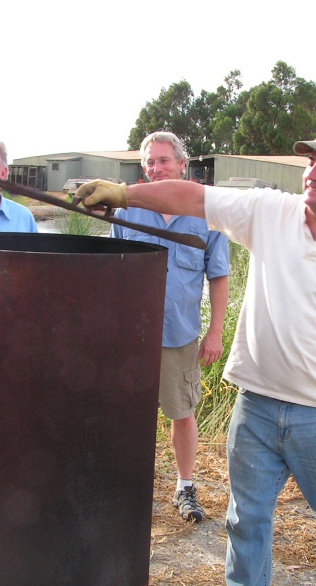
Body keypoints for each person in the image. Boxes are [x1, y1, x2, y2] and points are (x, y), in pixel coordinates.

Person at [76, 127, 316, 586]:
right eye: (310, 164)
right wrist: (123, 192)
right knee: (245, 522)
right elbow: (192, 197)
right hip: (255, 407)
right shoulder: (268, 212)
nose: (312, 174)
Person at [110, 131, 230, 523]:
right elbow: (110, 270)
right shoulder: (126, 210)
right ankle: (128, 486)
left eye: (163, 160)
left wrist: (215, 332)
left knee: (183, 411)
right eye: (149, 162)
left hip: (179, 334)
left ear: (182, 164)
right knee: (128, 414)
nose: (156, 168)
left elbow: (219, 275)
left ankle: (185, 487)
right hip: (131, 335)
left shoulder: (206, 212)